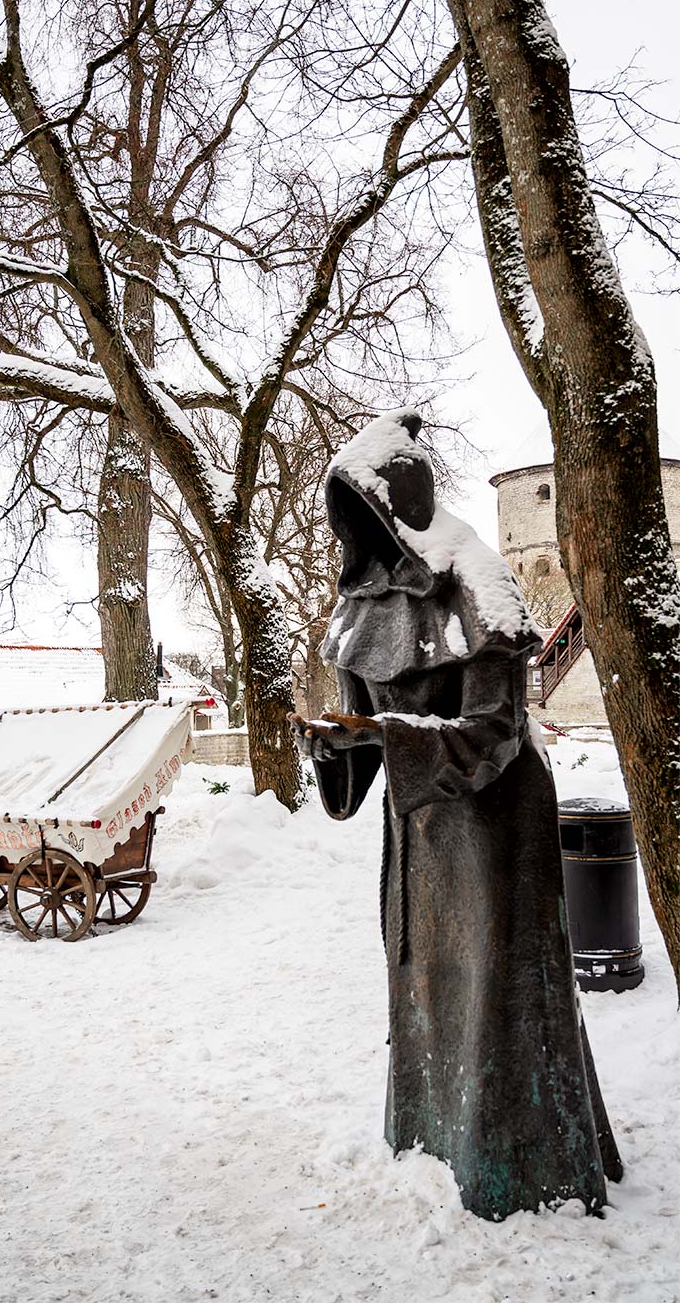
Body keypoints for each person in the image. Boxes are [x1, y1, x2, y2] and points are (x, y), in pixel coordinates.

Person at [291, 408, 621, 1221]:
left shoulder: (480, 580)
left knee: (499, 995)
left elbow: (497, 731)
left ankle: (520, 1158)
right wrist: (338, 746)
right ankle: (434, 1132)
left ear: (399, 503)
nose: (359, 533)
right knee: (426, 992)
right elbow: (365, 746)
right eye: (348, 518)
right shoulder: (360, 610)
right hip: (422, 838)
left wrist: (385, 734)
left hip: (497, 830)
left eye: (369, 512)